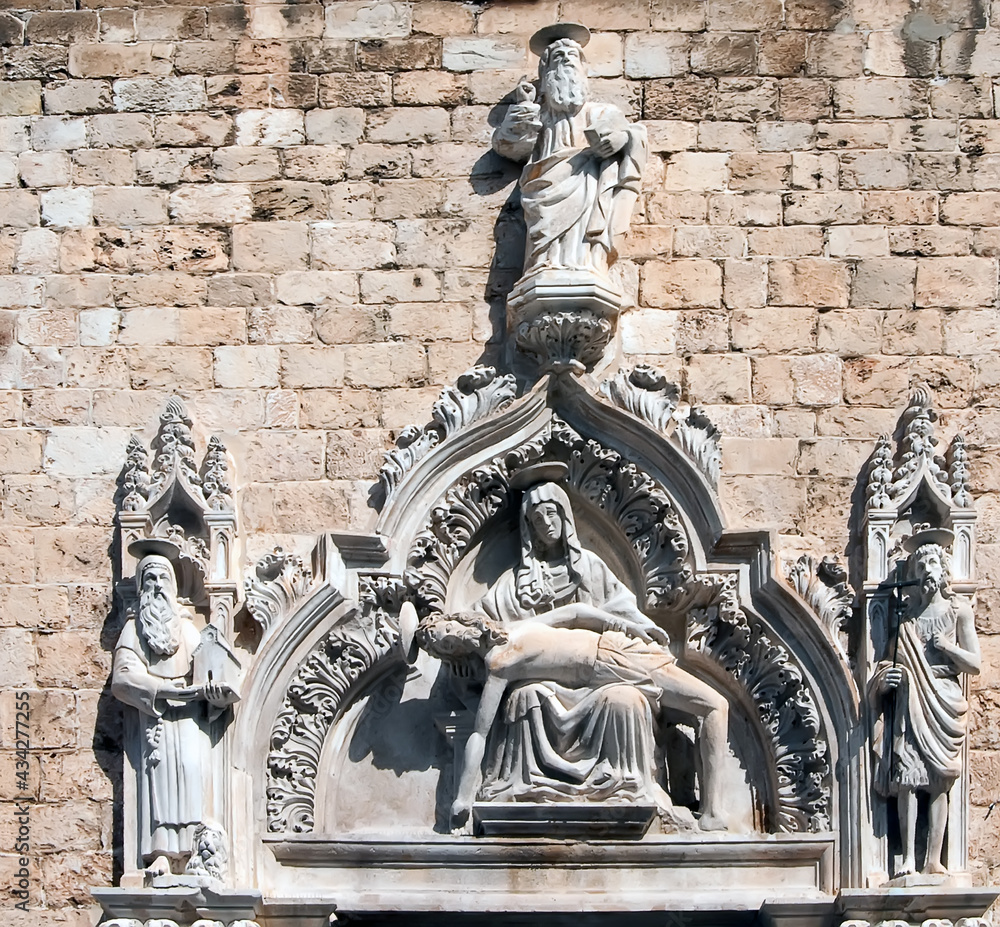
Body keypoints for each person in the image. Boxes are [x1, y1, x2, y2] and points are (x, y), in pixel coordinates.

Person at [418, 607, 730, 832]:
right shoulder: (498, 665)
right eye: (446, 647)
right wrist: (462, 797)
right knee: (713, 705)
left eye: (448, 632)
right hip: (609, 668)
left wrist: (627, 625)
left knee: (712, 706)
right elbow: (480, 733)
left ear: (459, 618)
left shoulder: (515, 627)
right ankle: (711, 813)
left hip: (617, 647)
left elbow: (575, 612)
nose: (454, 641)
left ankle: (709, 807)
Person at [112, 549, 235, 876]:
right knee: (160, 784)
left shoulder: (184, 628)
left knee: (191, 771)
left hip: (191, 719)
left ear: (172, 585)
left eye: (161, 577)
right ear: (140, 587)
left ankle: (193, 850)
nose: (155, 585)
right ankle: (163, 854)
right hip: (157, 720)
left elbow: (209, 666)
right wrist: (161, 690)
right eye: (148, 578)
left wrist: (213, 693)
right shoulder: (135, 630)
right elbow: (122, 677)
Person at [492, 23, 647, 279]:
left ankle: (587, 264)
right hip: (544, 185)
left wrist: (618, 141)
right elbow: (509, 147)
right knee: (544, 237)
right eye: (558, 57)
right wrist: (524, 107)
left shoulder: (601, 112)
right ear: (546, 70)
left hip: (588, 184)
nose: (565, 60)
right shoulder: (537, 113)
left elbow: (632, 136)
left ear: (582, 67)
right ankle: (544, 265)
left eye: (571, 56)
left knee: (583, 241)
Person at [870, 531, 980, 876]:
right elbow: (888, 662)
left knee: (939, 780)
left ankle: (933, 858)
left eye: (933, 561)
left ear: (944, 569)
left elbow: (974, 664)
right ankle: (906, 859)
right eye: (922, 563)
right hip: (910, 701)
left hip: (943, 698)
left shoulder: (957, 613)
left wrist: (946, 648)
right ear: (915, 576)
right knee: (907, 777)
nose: (928, 569)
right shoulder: (906, 623)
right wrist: (884, 681)